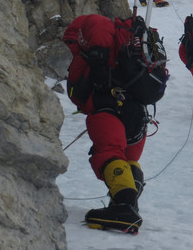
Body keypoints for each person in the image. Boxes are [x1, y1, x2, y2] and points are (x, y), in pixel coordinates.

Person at [63, 14, 166, 234]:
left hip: (109, 109)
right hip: (137, 114)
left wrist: (97, 58)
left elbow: (98, 23)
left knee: (109, 154)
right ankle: (129, 204)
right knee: (127, 160)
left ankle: (123, 209)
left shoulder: (89, 34)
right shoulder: (121, 52)